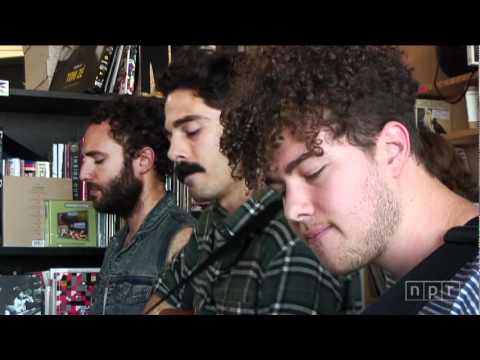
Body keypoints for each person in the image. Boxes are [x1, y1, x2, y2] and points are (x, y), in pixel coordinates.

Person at [220, 46, 479, 315]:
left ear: (392, 149)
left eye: (313, 172)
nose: (293, 210)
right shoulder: (419, 284)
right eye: (281, 189)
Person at [144, 48, 362, 315]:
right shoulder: (209, 225)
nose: (172, 152)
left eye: (192, 131)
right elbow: (154, 307)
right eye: (170, 136)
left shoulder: (293, 241)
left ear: (244, 125)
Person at [81, 95, 196, 315]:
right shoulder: (119, 242)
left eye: (98, 160)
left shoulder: (182, 238)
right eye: (84, 161)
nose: (83, 174)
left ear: (143, 161)